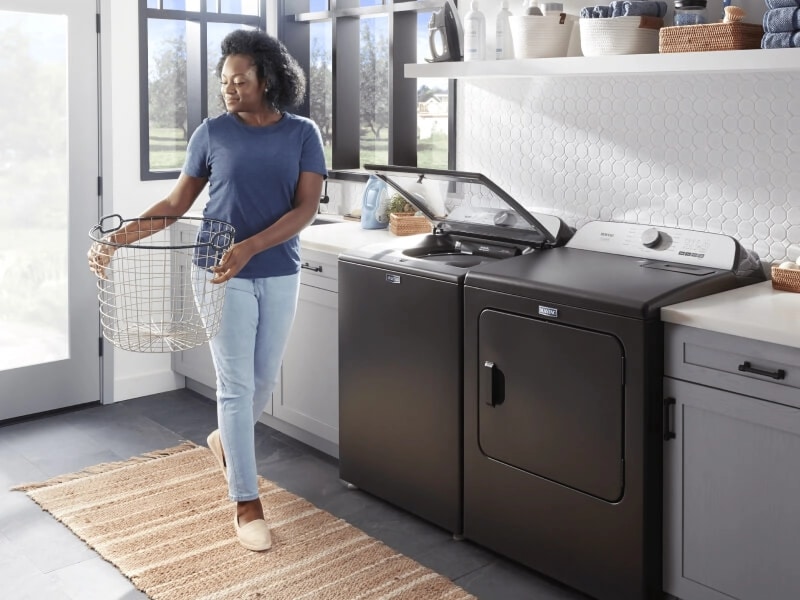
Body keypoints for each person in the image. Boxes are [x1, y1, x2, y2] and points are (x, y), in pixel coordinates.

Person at [88, 29, 327, 552]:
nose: (230, 89)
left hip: (279, 270)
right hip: (217, 272)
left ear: (268, 78)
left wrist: (253, 246)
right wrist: (116, 239)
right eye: (224, 82)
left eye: (240, 80)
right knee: (237, 388)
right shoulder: (212, 133)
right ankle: (245, 500)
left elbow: (305, 209)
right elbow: (175, 203)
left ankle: (225, 440)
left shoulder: (303, 133)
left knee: (262, 380)